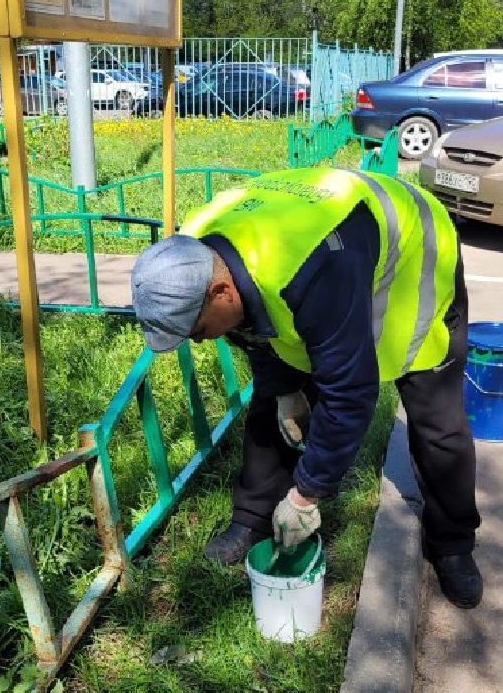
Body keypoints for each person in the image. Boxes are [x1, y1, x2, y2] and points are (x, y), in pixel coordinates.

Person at [130, 165, 482, 609]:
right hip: (334, 257)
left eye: (197, 329)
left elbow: (350, 394)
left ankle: (453, 544)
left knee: (437, 417)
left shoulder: (313, 270)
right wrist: (284, 392)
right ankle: (252, 518)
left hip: (414, 257)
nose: (199, 340)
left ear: (221, 292)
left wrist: (306, 494)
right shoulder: (196, 250)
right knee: (267, 408)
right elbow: (253, 332)